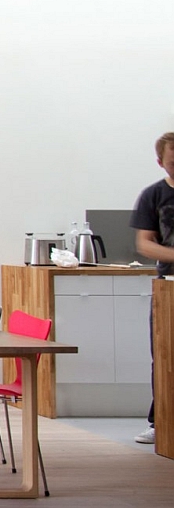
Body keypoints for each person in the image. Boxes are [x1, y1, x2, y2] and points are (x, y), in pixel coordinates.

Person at [130, 131, 174, 444]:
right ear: (161, 162)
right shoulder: (153, 196)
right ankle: (159, 422)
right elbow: (145, 244)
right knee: (164, 355)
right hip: (169, 287)